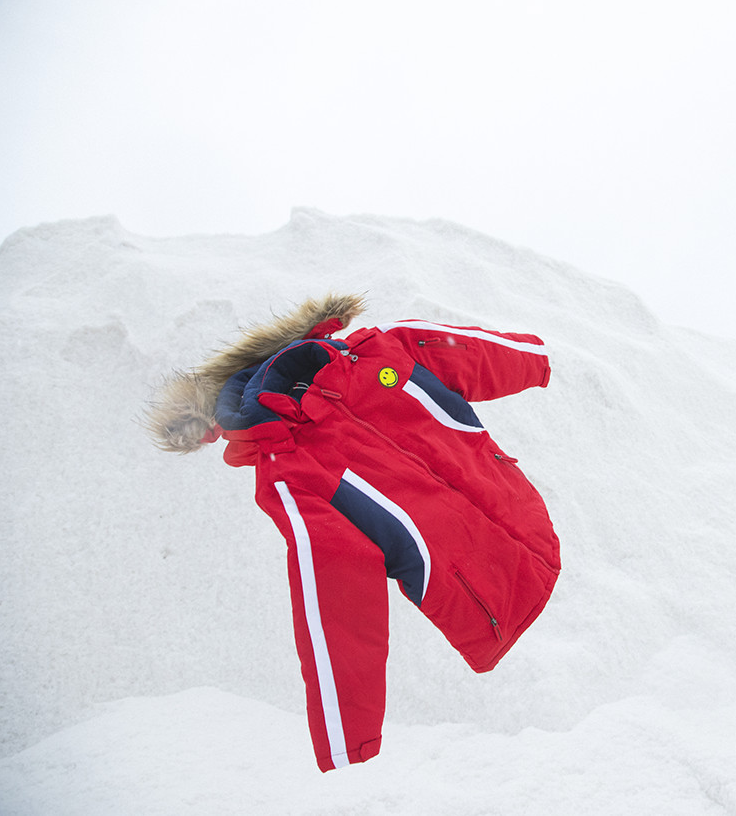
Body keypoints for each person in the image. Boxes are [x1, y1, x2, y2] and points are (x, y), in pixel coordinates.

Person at [146, 293, 560, 772]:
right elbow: (334, 588)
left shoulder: (383, 351)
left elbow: (471, 353)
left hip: (526, 519)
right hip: (486, 605)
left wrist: (534, 360)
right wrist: (348, 736)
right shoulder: (290, 473)